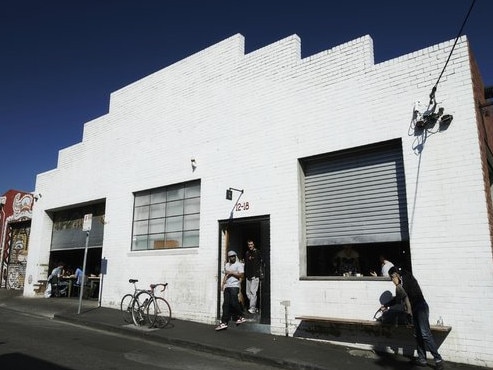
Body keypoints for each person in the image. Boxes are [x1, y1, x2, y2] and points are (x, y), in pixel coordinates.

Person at [383, 267, 444, 370]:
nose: (392, 280)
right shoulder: (400, 284)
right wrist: (386, 305)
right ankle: (422, 359)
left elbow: (405, 293)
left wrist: (398, 283)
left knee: (425, 334)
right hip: (414, 310)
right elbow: (399, 299)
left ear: (396, 275)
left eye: (392, 277)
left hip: (420, 307)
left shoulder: (407, 278)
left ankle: (438, 360)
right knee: (417, 335)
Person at [215, 250, 247, 331]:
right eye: (230, 256)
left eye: (233, 256)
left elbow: (242, 275)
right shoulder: (227, 265)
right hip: (227, 287)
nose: (232, 257)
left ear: (235, 256)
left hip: (234, 286)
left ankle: (241, 316)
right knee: (225, 305)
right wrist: (222, 284)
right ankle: (224, 323)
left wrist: (232, 273)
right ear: (229, 257)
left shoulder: (239, 265)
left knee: (233, 302)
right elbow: (226, 275)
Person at [244, 239, 262, 314]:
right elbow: (246, 264)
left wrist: (257, 274)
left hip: (255, 275)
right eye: (249, 245)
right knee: (248, 293)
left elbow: (260, 263)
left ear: (254, 245)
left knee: (253, 292)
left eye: (251, 244)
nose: (250, 246)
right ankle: (255, 307)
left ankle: (252, 307)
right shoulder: (247, 253)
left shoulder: (257, 252)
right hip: (248, 275)